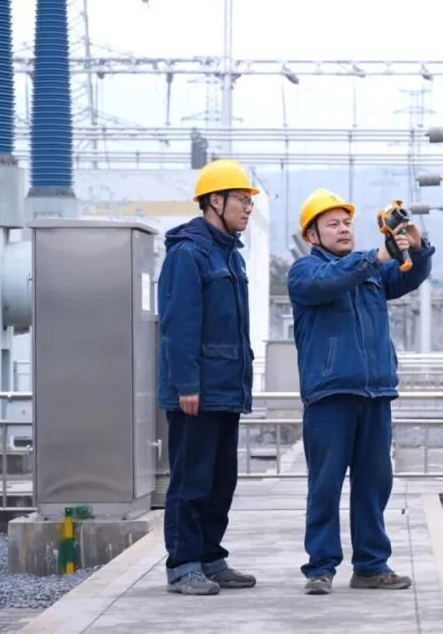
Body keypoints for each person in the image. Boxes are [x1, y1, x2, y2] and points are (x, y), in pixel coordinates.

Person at [288, 188, 435, 595]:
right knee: (325, 485)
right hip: (330, 396)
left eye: (347, 222)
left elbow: (408, 276)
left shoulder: (370, 274)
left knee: (374, 484)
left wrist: (417, 249)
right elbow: (331, 280)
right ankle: (320, 567)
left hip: (375, 394)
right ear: (312, 235)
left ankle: (371, 565)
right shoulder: (305, 272)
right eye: (333, 224)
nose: (344, 229)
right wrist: (376, 256)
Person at [157, 159, 260, 595]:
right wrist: (187, 384)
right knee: (191, 481)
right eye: (241, 200)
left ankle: (211, 558)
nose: (248, 208)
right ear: (214, 201)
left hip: (225, 389)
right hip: (196, 392)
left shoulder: (230, 255)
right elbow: (178, 324)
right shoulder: (188, 254)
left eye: (250, 202)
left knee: (220, 481)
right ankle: (183, 565)